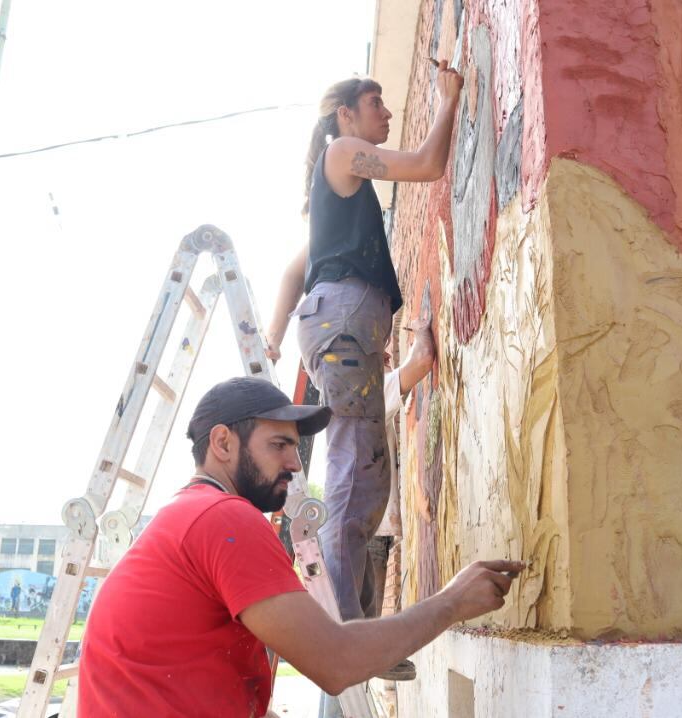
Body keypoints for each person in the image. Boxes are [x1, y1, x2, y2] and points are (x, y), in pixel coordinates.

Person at [78, 377, 522, 718]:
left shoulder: (192, 514)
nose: (294, 462)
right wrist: (452, 603)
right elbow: (335, 661)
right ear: (222, 442)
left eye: (295, 445)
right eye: (279, 445)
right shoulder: (224, 519)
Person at [263, 64, 463, 655]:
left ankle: (354, 620)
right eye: (377, 102)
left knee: (368, 476)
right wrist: (449, 99)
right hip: (344, 320)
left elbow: (294, 271)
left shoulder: (340, 195)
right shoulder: (345, 152)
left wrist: (274, 338)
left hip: (343, 322)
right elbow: (428, 165)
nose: (387, 112)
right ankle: (345, 629)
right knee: (355, 470)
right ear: (346, 114)